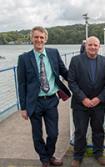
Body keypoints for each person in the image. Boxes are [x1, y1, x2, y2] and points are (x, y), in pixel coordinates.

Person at [17, 26, 71, 167]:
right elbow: (21, 84)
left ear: (45, 39)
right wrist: (23, 108)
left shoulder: (54, 53)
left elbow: (64, 72)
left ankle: (49, 155)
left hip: (52, 100)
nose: (39, 40)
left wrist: (80, 81)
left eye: (41, 37)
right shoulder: (23, 58)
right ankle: (45, 159)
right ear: (32, 39)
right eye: (36, 37)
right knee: (37, 134)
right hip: (34, 102)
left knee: (53, 133)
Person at [68, 36, 105, 167]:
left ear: (99, 47)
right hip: (80, 104)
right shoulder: (75, 60)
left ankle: (98, 153)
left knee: (98, 130)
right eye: (90, 45)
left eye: (95, 45)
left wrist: (99, 98)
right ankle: (78, 156)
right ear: (85, 46)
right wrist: (83, 98)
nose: (92, 47)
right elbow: (72, 82)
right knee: (80, 131)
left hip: (99, 104)